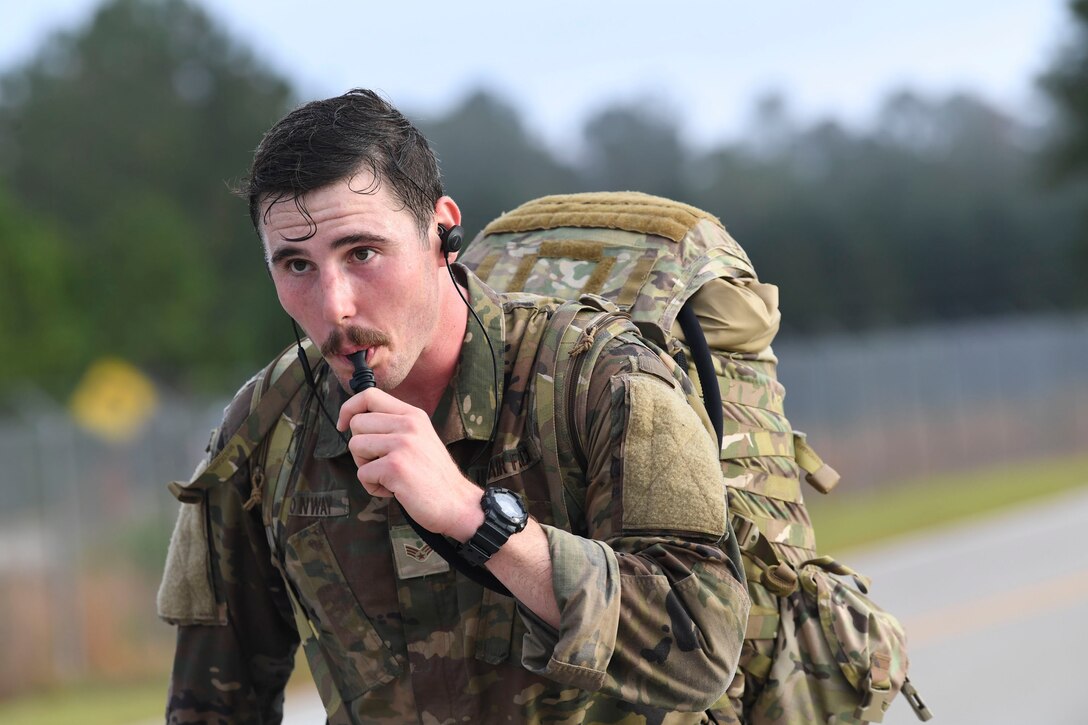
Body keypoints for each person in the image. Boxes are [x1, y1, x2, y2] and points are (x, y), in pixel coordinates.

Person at [158, 88, 749, 724]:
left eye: (362, 253)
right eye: (297, 264)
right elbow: (212, 704)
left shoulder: (599, 380)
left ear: (442, 232)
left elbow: (702, 656)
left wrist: (479, 520)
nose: (335, 308)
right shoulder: (268, 426)